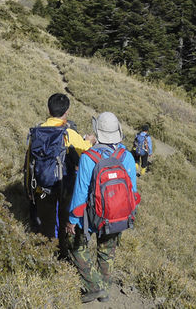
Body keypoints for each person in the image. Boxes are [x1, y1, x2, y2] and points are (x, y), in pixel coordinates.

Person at [66, 112, 139, 303]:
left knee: (77, 247)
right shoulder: (127, 157)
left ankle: (94, 285)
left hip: (92, 216)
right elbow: (133, 191)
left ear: (97, 131)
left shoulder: (88, 158)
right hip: (117, 216)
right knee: (107, 252)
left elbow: (80, 192)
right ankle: (105, 292)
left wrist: (72, 220)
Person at [25, 93, 96, 255]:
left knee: (47, 224)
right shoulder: (68, 134)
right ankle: (63, 255)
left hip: (42, 187)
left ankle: (47, 254)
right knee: (65, 221)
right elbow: (86, 153)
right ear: (67, 112)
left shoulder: (37, 132)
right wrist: (90, 141)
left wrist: (29, 189)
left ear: (48, 109)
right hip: (64, 187)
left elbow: (29, 162)